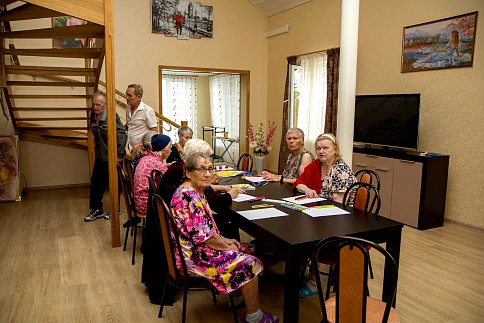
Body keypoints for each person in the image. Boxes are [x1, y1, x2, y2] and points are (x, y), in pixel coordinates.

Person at [170, 153, 279, 323]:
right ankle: (255, 317)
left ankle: (236, 300)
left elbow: (207, 231)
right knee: (250, 261)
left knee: (246, 248)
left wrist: (226, 241)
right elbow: (204, 238)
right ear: (189, 172)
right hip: (193, 257)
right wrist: (227, 247)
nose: (207, 174)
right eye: (201, 169)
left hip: (195, 249)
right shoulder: (188, 197)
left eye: (210, 169)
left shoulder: (193, 190)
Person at [159, 139, 243, 240]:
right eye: (205, 157)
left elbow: (200, 188)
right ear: (197, 156)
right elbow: (214, 201)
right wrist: (231, 194)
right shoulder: (184, 171)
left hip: (177, 217)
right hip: (183, 224)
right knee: (229, 222)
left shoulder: (179, 165)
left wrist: (222, 187)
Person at [85, 92, 127, 222]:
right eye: (94, 104)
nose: (95, 107)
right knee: (96, 183)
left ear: (105, 105)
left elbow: (122, 135)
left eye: (98, 105)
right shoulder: (92, 116)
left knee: (113, 184)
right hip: (100, 155)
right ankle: (97, 209)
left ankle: (115, 209)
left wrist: (119, 156)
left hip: (112, 156)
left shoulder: (111, 117)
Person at [294, 133, 356, 203]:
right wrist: (307, 190)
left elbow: (338, 204)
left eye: (325, 148)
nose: (321, 151)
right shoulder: (317, 164)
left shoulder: (342, 171)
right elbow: (298, 183)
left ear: (335, 150)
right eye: (318, 148)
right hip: (319, 205)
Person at [134, 134, 172, 215]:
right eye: (170, 148)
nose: (171, 151)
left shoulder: (146, 158)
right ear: (162, 150)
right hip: (148, 206)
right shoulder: (157, 164)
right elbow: (169, 183)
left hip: (139, 202)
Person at [125, 84, 158, 150]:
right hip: (131, 147)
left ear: (138, 97)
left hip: (143, 149)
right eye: (126, 94)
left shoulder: (148, 111)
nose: (126, 97)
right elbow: (129, 125)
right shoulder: (128, 107)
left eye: (130, 95)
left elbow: (154, 131)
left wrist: (140, 144)